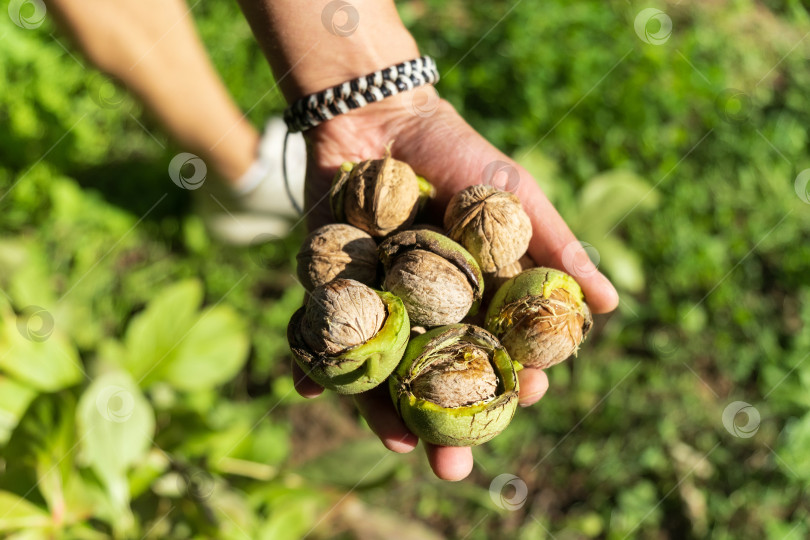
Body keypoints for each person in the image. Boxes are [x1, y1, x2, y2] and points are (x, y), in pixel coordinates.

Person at [46, 0, 619, 481]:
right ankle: (237, 170)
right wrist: (378, 99)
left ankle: (238, 169)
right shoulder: (392, 257)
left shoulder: (438, 278)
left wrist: (364, 93)